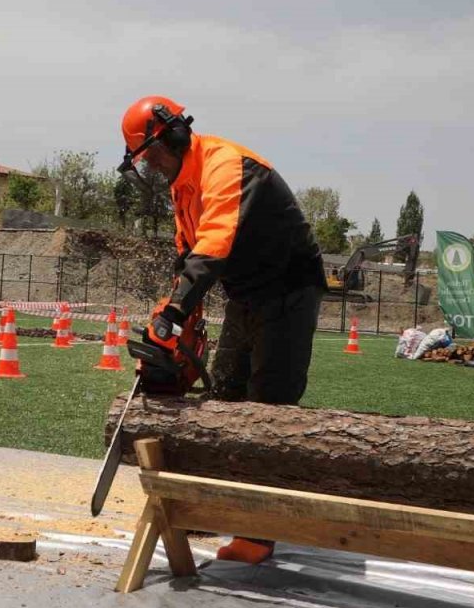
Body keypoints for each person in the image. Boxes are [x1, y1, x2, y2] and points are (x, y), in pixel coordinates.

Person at [119, 96, 326, 564]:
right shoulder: (182, 184)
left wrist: (175, 312)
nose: (152, 166)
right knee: (225, 394)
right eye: (144, 161)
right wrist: (169, 313)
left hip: (289, 290)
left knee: (268, 405)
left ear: (171, 135)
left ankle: (258, 531)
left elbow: (215, 241)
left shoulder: (224, 164)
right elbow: (187, 253)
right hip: (245, 293)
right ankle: (209, 507)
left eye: (152, 156)